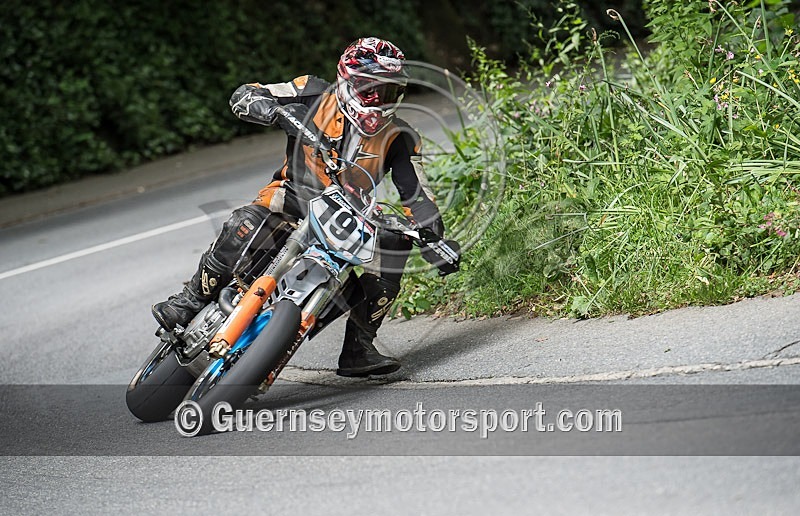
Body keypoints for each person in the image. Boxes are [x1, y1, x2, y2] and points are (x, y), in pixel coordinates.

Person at [152, 37, 458, 377]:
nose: (377, 100)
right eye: (369, 90)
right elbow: (245, 93)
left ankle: (359, 347)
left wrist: (433, 236)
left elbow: (417, 195)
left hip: (349, 219)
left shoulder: (402, 136)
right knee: (243, 223)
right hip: (292, 197)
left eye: (386, 92)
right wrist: (275, 110)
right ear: (347, 82)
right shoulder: (312, 91)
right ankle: (190, 299)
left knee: (395, 247)